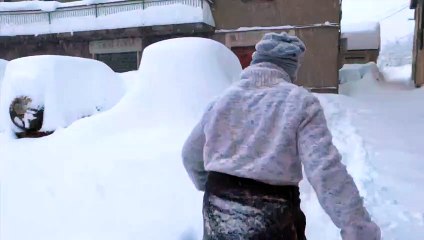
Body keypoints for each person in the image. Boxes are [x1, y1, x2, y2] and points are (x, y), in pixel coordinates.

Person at [182, 32, 381, 240]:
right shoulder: (300, 102)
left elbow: (190, 155)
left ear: (256, 61)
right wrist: (358, 229)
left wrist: (216, 187)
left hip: (217, 208)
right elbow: (325, 170)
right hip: (272, 216)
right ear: (290, 67)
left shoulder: (222, 100)